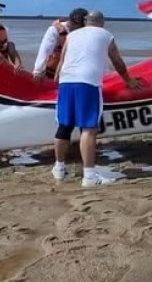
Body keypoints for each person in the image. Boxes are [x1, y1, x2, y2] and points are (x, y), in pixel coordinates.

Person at [51, 10, 146, 186]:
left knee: (64, 126)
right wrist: (129, 81)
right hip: (87, 83)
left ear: (86, 22)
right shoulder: (105, 35)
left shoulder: (72, 35)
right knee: (89, 129)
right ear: (102, 23)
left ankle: (59, 168)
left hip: (66, 82)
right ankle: (89, 176)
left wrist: (57, 82)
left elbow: (62, 61)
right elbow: (117, 61)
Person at [32, 7, 88, 81]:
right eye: (72, 22)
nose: (81, 29)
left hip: (72, 73)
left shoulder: (85, 32)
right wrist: (38, 70)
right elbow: (45, 50)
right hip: (52, 70)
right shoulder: (54, 30)